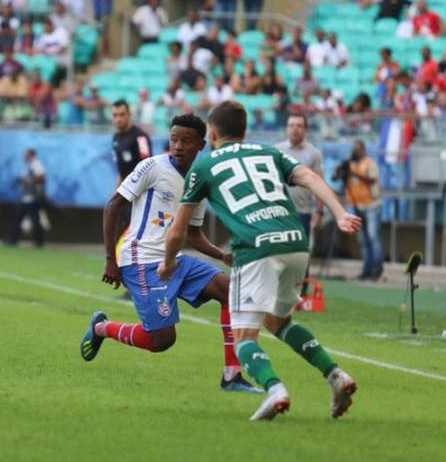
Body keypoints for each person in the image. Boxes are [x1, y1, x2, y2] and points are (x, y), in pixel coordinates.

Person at [161, 100, 361, 421]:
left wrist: (167, 264)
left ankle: (275, 390)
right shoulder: (269, 152)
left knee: (243, 339)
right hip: (296, 243)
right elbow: (309, 176)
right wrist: (340, 213)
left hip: (256, 249)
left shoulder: (204, 165)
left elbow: (177, 232)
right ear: (244, 131)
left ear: (211, 134)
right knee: (278, 322)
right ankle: (336, 376)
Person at [81, 113, 261, 394]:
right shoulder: (152, 167)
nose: (177, 146)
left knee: (232, 291)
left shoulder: (199, 178)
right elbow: (112, 205)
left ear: (201, 145)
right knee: (161, 341)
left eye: (186, 141)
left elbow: (191, 233)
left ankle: (232, 376)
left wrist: (219, 255)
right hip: (141, 260)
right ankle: (102, 328)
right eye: (174, 139)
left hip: (173, 261)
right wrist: (110, 260)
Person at [275, 113, 324, 295]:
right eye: (291, 125)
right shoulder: (276, 151)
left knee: (302, 253)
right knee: (279, 252)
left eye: (299, 125)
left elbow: (319, 183)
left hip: (303, 211)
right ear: (287, 128)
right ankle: (280, 290)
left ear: (305, 129)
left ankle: (301, 292)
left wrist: (319, 211)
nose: (295, 129)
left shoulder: (314, 154)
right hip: (279, 211)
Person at [342, 140, 383, 280]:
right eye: (354, 149)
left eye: (358, 149)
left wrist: (355, 173)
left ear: (363, 150)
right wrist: (343, 171)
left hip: (372, 205)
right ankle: (366, 269)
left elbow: (372, 179)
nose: (355, 152)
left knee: (373, 237)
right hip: (356, 205)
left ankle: (377, 268)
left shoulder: (370, 163)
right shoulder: (350, 164)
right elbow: (337, 178)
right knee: (363, 240)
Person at [7, 148, 46, 247]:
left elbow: (42, 177)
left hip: (33, 198)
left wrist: (28, 181)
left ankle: (39, 242)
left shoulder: (36, 164)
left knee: (35, 220)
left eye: (26, 154)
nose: (24, 156)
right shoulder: (28, 166)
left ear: (31, 155)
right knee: (18, 218)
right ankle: (13, 240)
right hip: (25, 197)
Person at [110, 100, 151, 185]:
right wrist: (117, 191)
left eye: (122, 115)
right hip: (125, 190)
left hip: (139, 190)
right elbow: (121, 169)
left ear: (129, 114)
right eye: (115, 115)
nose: (118, 119)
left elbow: (148, 168)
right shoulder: (115, 138)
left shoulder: (141, 137)